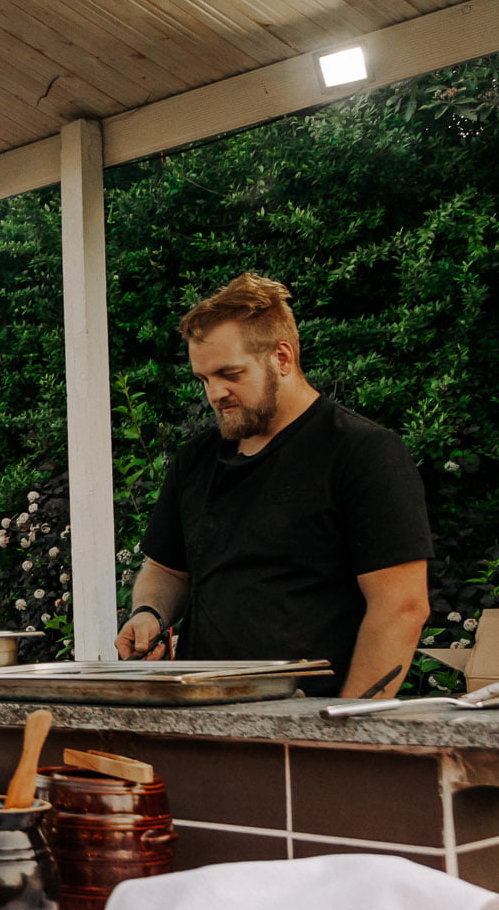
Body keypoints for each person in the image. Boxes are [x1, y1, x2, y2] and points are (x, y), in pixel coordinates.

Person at [114, 274, 432, 697]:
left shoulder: (363, 452)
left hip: (308, 718)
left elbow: (401, 608)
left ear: (282, 357)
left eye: (230, 373)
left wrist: (345, 729)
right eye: (204, 379)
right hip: (200, 712)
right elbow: (167, 568)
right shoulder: (197, 458)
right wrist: (150, 612)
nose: (215, 393)